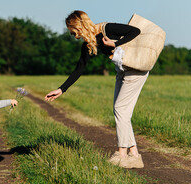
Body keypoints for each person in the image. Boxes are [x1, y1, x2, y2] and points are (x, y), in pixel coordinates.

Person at [44, 10, 148, 169]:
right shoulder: (87, 44)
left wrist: (114, 44)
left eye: (72, 31)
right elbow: (79, 69)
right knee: (121, 112)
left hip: (135, 70)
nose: (72, 35)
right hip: (122, 71)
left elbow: (135, 31)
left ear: (79, 26)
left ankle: (121, 155)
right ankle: (134, 156)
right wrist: (61, 89)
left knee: (121, 110)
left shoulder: (107, 28)